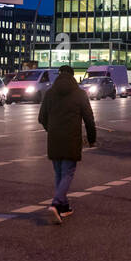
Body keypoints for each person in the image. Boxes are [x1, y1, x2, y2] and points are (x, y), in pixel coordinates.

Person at [38, 66, 96, 224]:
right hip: (71, 138)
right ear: (72, 76)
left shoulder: (50, 93)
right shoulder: (79, 94)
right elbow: (89, 119)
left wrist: (51, 129)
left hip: (54, 138)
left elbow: (41, 117)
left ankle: (64, 207)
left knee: (59, 173)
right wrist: (92, 139)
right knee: (68, 172)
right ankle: (56, 203)